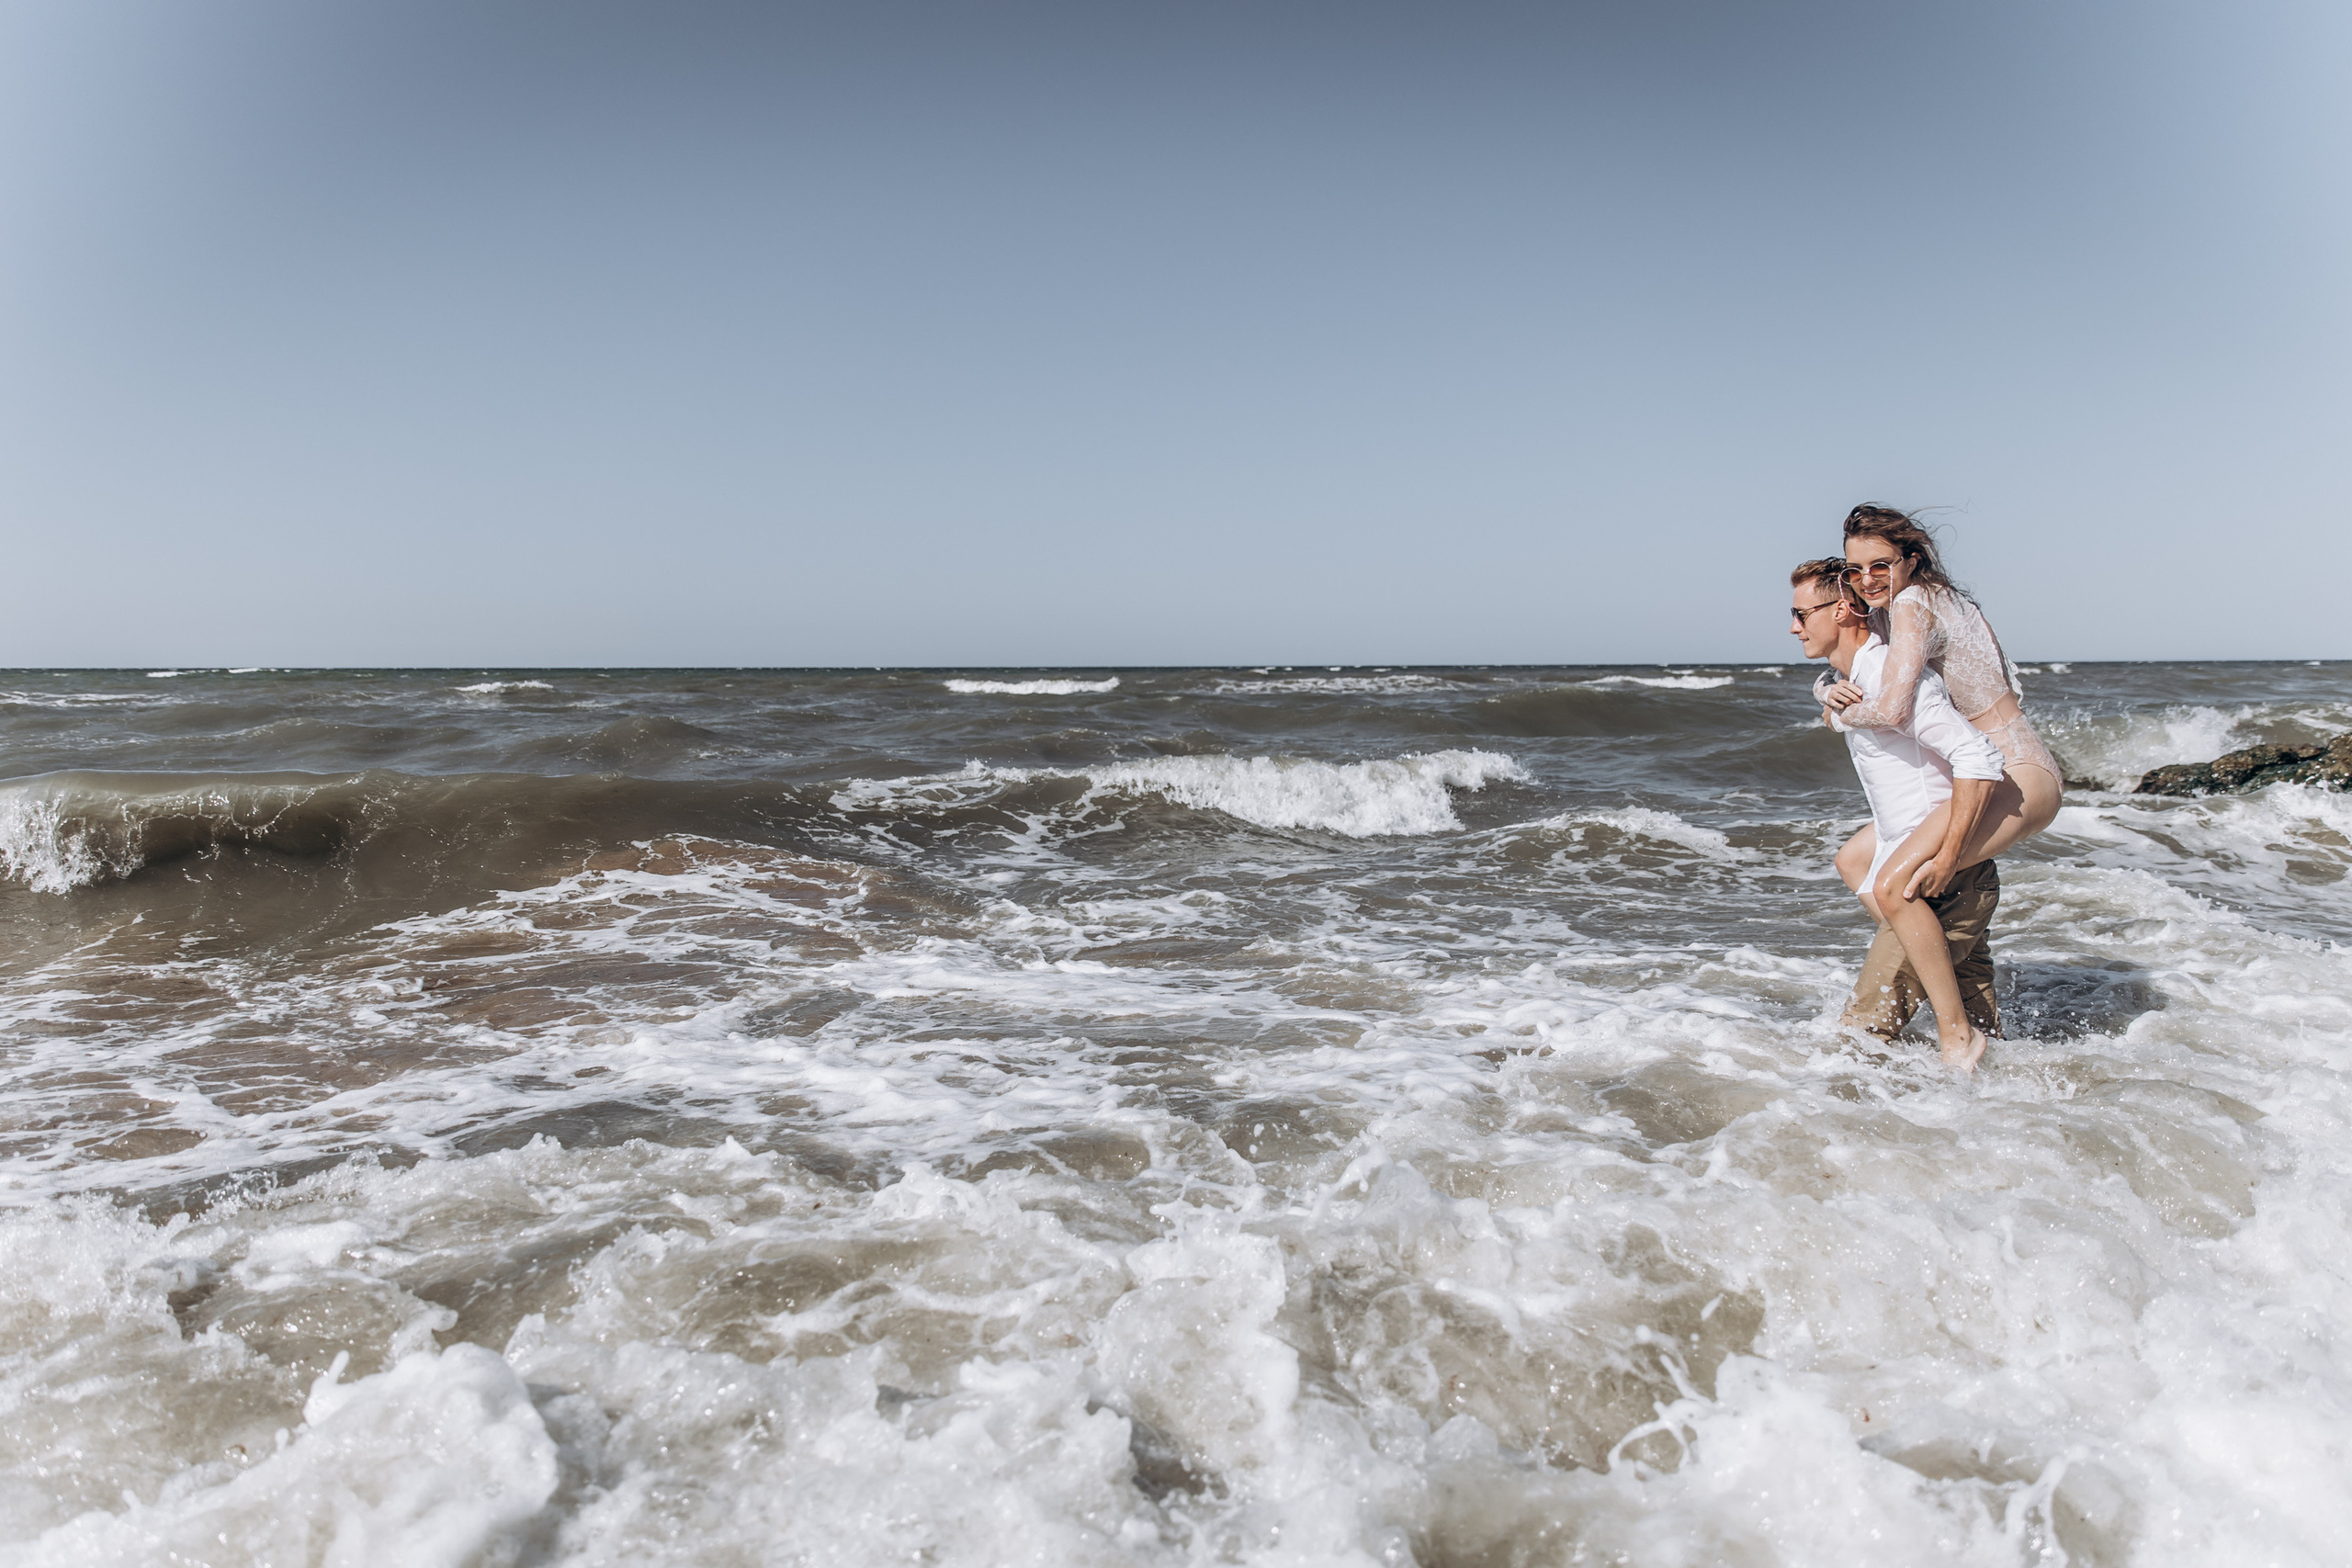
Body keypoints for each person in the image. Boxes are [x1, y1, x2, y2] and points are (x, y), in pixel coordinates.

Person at [1792, 558, 2003, 1069]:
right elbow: (1841, 706)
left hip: (1938, 880)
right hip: (1925, 884)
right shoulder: (1857, 679)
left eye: (1800, 613)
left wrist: (1948, 853)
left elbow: (1978, 755)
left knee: (1859, 1039)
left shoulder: (1895, 677)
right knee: (1994, 1045)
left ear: (1842, 609)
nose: (1793, 626)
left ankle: (1952, 1039)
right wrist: (1825, 692)